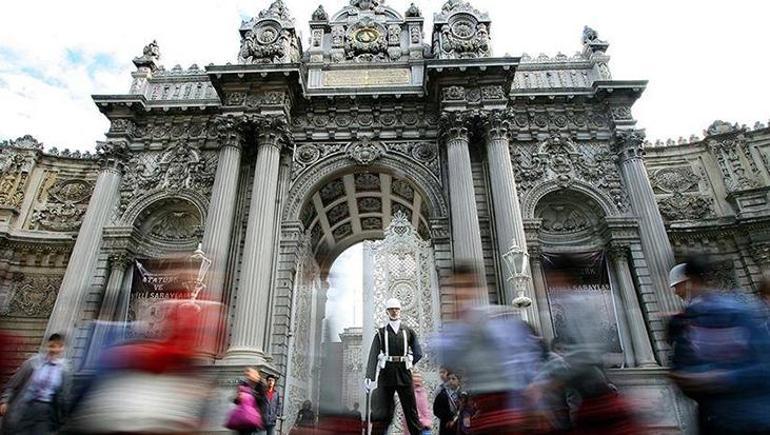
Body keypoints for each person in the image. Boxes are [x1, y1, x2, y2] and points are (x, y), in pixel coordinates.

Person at [668, 257, 770, 434]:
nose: (676, 292)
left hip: (750, 417)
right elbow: (681, 370)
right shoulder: (687, 321)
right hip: (719, 419)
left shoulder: (737, 312)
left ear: (691, 281)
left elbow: (764, 366)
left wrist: (718, 378)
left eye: (678, 286)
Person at [365, 297, 424, 435]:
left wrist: (410, 361)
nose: (394, 312)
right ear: (387, 312)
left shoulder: (408, 331)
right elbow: (373, 354)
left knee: (411, 411)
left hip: (404, 374)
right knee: (382, 412)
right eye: (391, 309)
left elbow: (418, 352)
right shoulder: (380, 333)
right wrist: (369, 376)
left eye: (397, 309)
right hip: (386, 374)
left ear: (400, 311)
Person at [0, 333, 72, 435]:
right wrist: (5, 401)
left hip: (47, 412)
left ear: (63, 348)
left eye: (59, 346)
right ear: (47, 346)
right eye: (52, 346)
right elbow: (13, 383)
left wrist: (63, 416)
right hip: (25, 406)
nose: (55, 350)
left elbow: (64, 395)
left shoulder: (64, 370)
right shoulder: (32, 363)